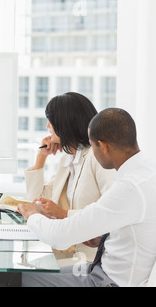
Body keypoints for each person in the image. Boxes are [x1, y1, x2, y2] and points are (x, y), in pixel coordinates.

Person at [18, 108, 156, 287]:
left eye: (93, 145)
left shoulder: (130, 187)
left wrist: (32, 215)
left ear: (103, 146)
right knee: (18, 275)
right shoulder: (145, 172)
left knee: (8, 280)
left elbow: (58, 237)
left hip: (105, 281)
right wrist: (102, 238)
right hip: (98, 269)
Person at [21, 92, 115, 263]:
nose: (48, 126)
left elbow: (111, 215)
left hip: (88, 259)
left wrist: (64, 214)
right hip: (66, 254)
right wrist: (41, 157)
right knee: (14, 273)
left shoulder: (97, 158)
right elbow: (37, 200)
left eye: (51, 121)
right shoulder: (69, 159)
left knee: (16, 277)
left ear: (65, 124)